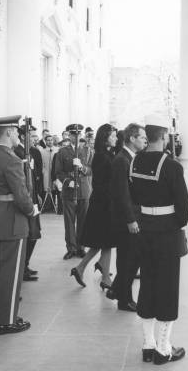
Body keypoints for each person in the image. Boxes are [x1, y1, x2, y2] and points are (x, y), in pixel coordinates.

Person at [129, 114, 188, 364]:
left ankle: (148, 344)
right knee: (166, 288)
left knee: (148, 286)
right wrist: (175, 224)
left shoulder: (135, 162)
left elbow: (133, 197)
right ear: (164, 136)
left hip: (145, 230)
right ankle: (163, 349)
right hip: (166, 233)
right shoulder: (172, 165)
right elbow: (184, 207)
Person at [0, 116, 40, 335]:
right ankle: (6, 321)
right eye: (15, 132)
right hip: (12, 219)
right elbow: (21, 195)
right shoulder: (12, 160)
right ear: (7, 133)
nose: (18, 136)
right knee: (11, 273)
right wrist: (32, 210)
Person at [70, 124, 117, 290]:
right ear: (105, 138)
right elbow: (102, 182)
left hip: (102, 202)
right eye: (113, 136)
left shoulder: (106, 154)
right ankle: (103, 277)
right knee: (106, 241)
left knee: (102, 242)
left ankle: (82, 269)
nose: (115, 138)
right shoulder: (102, 157)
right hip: (103, 203)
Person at [108, 123, 148, 312]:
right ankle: (124, 300)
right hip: (126, 220)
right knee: (127, 260)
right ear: (132, 139)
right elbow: (122, 194)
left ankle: (117, 290)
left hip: (133, 216)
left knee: (133, 258)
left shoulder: (130, 158)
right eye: (142, 137)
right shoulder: (121, 161)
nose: (145, 140)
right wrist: (131, 220)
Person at [55, 124, 88, 259]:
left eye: (78, 134)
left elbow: (91, 169)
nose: (76, 137)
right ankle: (71, 248)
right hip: (69, 190)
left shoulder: (88, 151)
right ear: (69, 136)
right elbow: (58, 172)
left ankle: (81, 247)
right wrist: (68, 182)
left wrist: (82, 167)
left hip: (84, 190)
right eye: (73, 134)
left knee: (83, 220)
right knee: (69, 222)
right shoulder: (62, 152)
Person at [14, 125, 41, 283]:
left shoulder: (29, 152)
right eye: (32, 135)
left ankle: (25, 265)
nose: (36, 138)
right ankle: (22, 267)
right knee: (30, 234)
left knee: (34, 233)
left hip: (32, 197)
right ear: (24, 136)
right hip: (25, 198)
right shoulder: (18, 152)